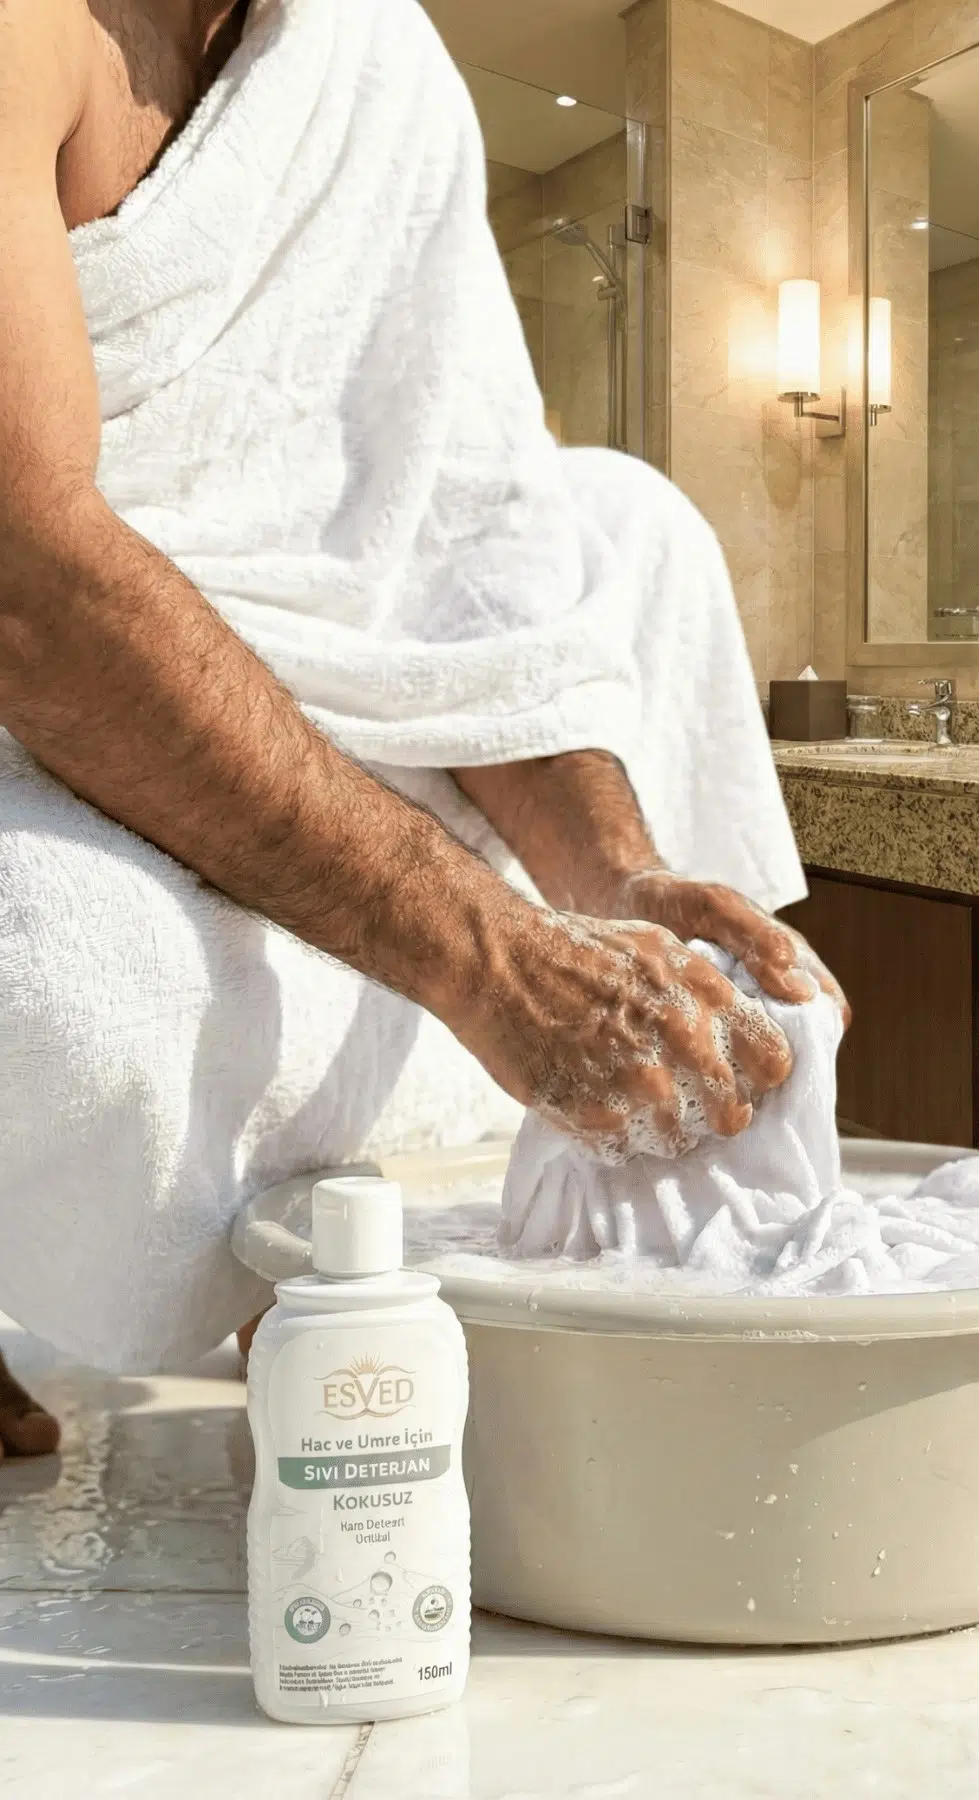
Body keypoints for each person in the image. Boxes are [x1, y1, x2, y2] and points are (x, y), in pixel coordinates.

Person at [0, 0, 844, 1454]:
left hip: (310, 661)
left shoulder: (375, 51)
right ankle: (256, 1236)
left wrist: (609, 883)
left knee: (632, 517)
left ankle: (341, 1241)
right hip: (59, 661)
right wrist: (490, 959)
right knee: (64, 996)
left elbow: (464, 517)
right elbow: (25, 572)